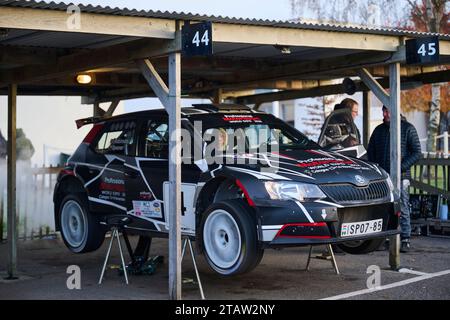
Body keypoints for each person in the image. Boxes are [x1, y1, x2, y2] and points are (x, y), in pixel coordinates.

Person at [367, 106, 422, 253]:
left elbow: (417, 153)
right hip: (382, 177)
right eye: (384, 111)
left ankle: (405, 239)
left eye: (388, 111)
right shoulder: (378, 130)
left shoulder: (408, 128)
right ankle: (385, 238)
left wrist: (400, 167)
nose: (385, 114)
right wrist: (376, 171)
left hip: (401, 176)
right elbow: (370, 152)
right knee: (384, 208)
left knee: (402, 207)